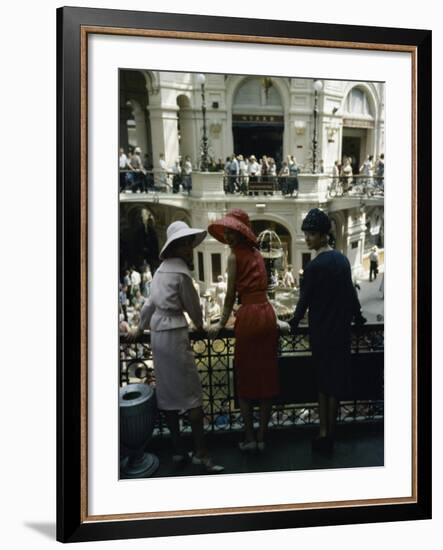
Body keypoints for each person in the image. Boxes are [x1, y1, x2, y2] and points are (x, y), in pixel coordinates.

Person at [133, 221, 224, 473]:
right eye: (184, 244)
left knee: (168, 397)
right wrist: (199, 325)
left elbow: (149, 305)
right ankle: (202, 453)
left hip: (157, 336)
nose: (189, 248)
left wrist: (140, 328)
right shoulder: (182, 273)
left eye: (188, 243)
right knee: (193, 397)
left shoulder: (160, 270)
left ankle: (177, 450)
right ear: (175, 247)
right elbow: (193, 307)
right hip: (174, 334)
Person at [208, 209, 286, 451]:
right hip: (266, 314)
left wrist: (221, 323)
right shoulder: (257, 254)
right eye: (228, 231)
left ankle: (251, 439)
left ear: (240, 233)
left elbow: (231, 294)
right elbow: (263, 289)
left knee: (245, 382)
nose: (229, 236)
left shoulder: (233, 257)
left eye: (232, 232)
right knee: (266, 379)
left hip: (250, 318)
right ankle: (262, 439)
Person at [289, 208, 366, 453]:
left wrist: (293, 322)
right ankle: (330, 433)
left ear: (324, 236)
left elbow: (305, 301)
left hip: (321, 333)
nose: (308, 238)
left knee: (323, 383)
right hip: (340, 332)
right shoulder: (342, 261)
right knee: (334, 384)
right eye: (307, 234)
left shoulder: (314, 267)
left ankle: (323, 433)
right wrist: (359, 317)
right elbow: (351, 294)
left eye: (311, 234)